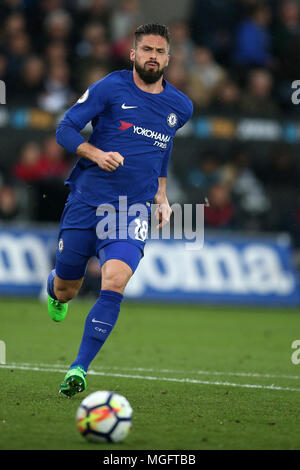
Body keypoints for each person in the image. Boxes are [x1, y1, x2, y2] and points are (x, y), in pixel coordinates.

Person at [47, 23, 193, 398]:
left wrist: (161, 196)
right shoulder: (110, 87)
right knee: (67, 288)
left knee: (114, 280)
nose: (153, 57)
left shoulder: (181, 106)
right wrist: (95, 153)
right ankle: (55, 289)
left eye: (160, 52)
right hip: (86, 200)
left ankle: (79, 367)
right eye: (146, 49)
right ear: (133, 53)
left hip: (131, 209)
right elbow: (65, 128)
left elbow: (164, 148)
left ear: (168, 58)